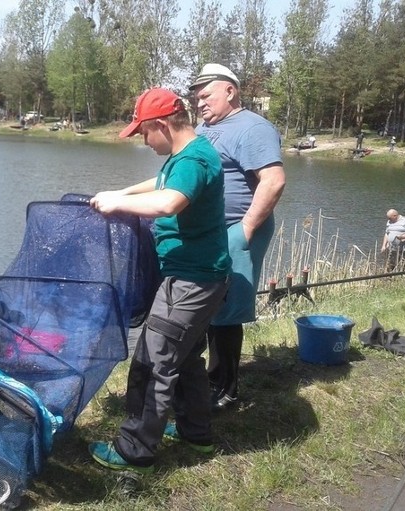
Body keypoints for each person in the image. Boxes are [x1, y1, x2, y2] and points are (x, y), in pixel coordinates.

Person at [87, 87, 231, 473]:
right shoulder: (184, 157)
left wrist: (117, 204)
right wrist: (123, 191)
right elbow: (161, 182)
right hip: (197, 277)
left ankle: (135, 450)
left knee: (153, 361)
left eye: (143, 133)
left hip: (192, 281)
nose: (143, 141)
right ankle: (195, 433)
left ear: (163, 125)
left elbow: (169, 202)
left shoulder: (195, 159)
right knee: (184, 359)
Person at [189, 63, 286, 412]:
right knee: (205, 304)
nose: (199, 102)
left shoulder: (254, 128)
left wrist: (244, 230)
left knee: (226, 309)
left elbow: (273, 181)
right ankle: (199, 379)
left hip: (236, 229)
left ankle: (224, 390)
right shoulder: (205, 128)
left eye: (206, 95)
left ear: (230, 91)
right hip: (209, 230)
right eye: (196, 97)